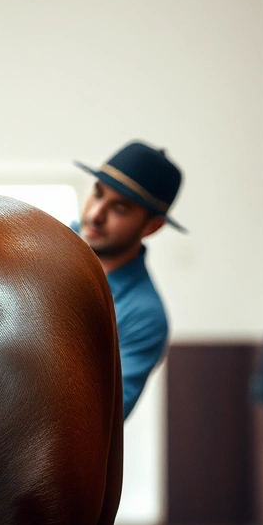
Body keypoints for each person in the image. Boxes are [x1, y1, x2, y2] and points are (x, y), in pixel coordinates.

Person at [75, 141, 184, 419]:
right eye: (97, 193)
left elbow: (102, 417)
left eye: (120, 208)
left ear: (152, 226)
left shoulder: (145, 315)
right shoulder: (42, 243)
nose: (96, 214)